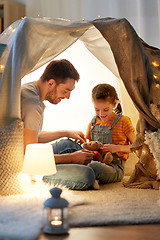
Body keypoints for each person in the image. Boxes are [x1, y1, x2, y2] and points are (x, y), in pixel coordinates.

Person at [43, 83, 135, 189]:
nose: (101, 113)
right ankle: (50, 165)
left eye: (105, 110)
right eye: (97, 110)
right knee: (67, 144)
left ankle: (52, 175)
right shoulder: (93, 122)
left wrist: (117, 148)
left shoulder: (124, 121)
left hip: (114, 167)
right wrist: (82, 144)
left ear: (114, 104)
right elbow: (89, 144)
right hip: (94, 158)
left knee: (93, 167)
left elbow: (137, 146)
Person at [21, 59, 95, 189]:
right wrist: (71, 158)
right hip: (26, 163)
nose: (67, 97)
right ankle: (45, 176)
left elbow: (32, 136)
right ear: (51, 83)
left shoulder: (31, 90)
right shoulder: (32, 104)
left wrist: (66, 132)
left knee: (67, 143)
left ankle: (91, 164)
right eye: (66, 90)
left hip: (29, 152)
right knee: (86, 175)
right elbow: (30, 154)